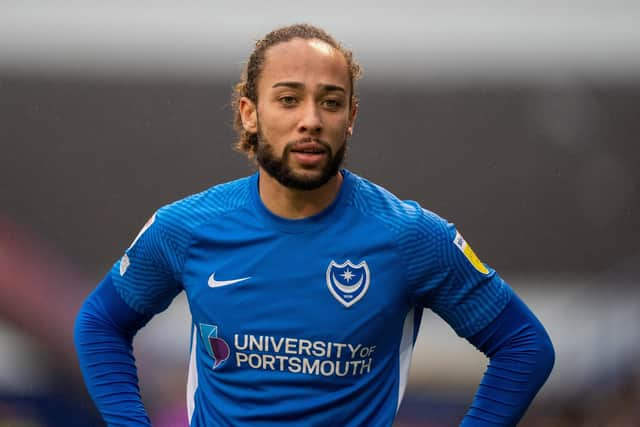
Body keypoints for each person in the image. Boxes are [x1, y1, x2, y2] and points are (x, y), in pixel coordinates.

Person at [74, 23, 555, 426]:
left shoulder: (412, 238)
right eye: (288, 99)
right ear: (250, 113)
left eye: (330, 102)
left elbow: (523, 345)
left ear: (351, 118)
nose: (311, 120)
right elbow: (99, 324)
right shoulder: (186, 227)